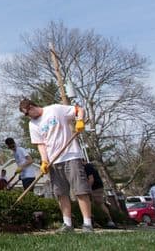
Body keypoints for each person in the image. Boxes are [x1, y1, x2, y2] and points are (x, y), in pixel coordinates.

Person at [19, 97, 92, 233]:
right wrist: (44, 161)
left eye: (27, 113)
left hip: (71, 155)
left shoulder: (54, 109)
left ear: (32, 107)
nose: (28, 116)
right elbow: (41, 144)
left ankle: (87, 224)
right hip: (54, 161)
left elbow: (78, 109)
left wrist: (80, 120)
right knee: (60, 193)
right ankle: (67, 224)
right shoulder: (32, 124)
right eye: (25, 115)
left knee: (80, 190)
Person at [84, 161, 115, 227]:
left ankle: (109, 220)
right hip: (97, 186)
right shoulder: (90, 166)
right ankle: (98, 221)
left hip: (95, 187)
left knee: (99, 203)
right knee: (95, 204)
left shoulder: (87, 166)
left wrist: (88, 189)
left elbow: (91, 179)